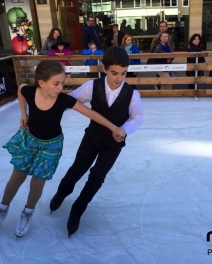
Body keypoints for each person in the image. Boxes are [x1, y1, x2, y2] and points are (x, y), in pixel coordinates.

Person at [0, 60, 126, 238]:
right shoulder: (31, 91)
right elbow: (20, 89)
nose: (60, 87)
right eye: (56, 83)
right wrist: (23, 113)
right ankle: (2, 209)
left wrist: (115, 128)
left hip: (51, 145)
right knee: (17, 175)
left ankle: (27, 212)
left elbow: (92, 114)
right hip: (29, 141)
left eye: (62, 82)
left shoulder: (64, 100)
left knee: (37, 181)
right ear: (42, 83)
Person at [49, 46, 144, 238]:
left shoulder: (132, 94)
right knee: (77, 169)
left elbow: (138, 117)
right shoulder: (92, 86)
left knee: (97, 177)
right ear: (104, 69)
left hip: (113, 144)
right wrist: (47, 111)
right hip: (92, 137)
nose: (119, 78)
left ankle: (78, 209)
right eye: (114, 73)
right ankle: (62, 192)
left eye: (123, 73)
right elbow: (70, 101)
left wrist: (124, 130)